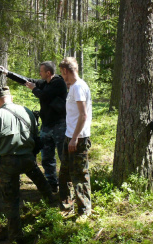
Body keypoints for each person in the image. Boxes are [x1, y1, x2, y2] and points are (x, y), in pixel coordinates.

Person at [0, 86, 55, 244]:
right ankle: (54, 207)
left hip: (7, 162)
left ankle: (16, 237)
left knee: (11, 200)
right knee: (41, 182)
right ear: (11, 97)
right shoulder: (26, 111)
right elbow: (36, 134)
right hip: (28, 157)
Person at [0, 62, 67, 192]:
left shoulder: (58, 83)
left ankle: (66, 184)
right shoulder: (45, 83)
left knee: (64, 156)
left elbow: (45, 96)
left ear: (48, 72)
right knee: (47, 157)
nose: (39, 74)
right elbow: (26, 80)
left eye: (41, 71)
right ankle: (52, 183)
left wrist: (34, 89)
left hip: (59, 125)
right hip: (46, 126)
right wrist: (7, 73)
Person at [58, 57, 93, 218]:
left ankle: (84, 210)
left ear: (65, 71)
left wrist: (74, 138)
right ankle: (67, 204)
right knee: (64, 172)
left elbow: (83, 115)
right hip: (69, 136)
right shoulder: (73, 87)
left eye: (61, 72)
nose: (62, 76)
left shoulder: (78, 87)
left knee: (79, 175)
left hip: (77, 139)